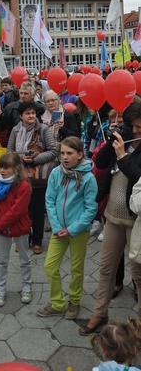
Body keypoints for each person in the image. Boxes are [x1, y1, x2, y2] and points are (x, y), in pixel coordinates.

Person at [79, 99, 141, 335]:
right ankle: (99, 314)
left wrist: (124, 156)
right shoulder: (126, 138)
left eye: (139, 128)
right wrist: (114, 139)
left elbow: (138, 179)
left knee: (139, 275)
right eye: (131, 126)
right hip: (113, 215)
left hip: (136, 220)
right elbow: (101, 163)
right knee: (106, 268)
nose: (135, 131)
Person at [37, 137, 97, 320]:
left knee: (76, 268)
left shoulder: (88, 178)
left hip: (78, 231)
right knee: (50, 266)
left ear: (80, 154)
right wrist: (56, 226)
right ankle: (58, 303)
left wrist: (72, 229)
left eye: (69, 153)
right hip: (58, 229)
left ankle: (75, 301)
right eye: (62, 153)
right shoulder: (56, 172)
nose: (65, 157)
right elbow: (50, 199)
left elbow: (91, 209)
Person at [7, 101, 58, 254]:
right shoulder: (16, 130)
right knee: (22, 210)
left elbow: (53, 151)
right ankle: (23, 239)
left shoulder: (43, 129)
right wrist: (22, 157)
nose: (31, 116)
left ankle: (37, 241)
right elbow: (9, 151)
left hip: (38, 177)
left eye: (33, 113)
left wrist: (35, 159)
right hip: (20, 176)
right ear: (21, 116)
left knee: (37, 210)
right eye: (27, 113)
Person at [0, 152, 32, 307]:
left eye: (6, 168)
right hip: (2, 229)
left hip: (19, 228)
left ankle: (26, 286)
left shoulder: (23, 185)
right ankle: (1, 289)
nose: (2, 171)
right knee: (2, 261)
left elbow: (16, 211)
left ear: (17, 169)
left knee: (24, 259)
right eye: (1, 167)